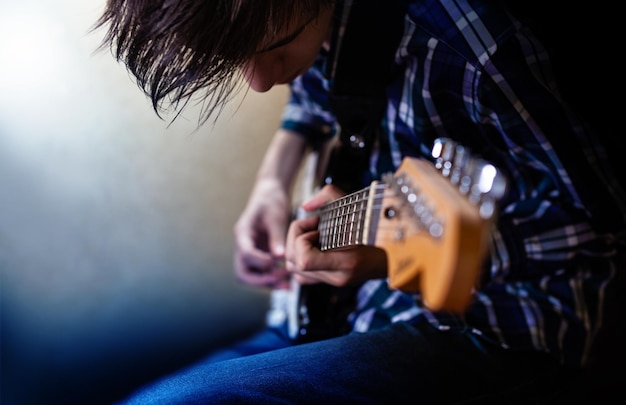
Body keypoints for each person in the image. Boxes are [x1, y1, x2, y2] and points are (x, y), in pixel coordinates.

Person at [95, 0, 626, 403]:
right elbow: (317, 92)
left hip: (496, 327)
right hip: (347, 313)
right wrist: (274, 177)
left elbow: (597, 221)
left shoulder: (473, 46)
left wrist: (394, 254)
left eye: (275, 51)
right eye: (234, 58)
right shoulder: (322, 17)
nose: (258, 83)